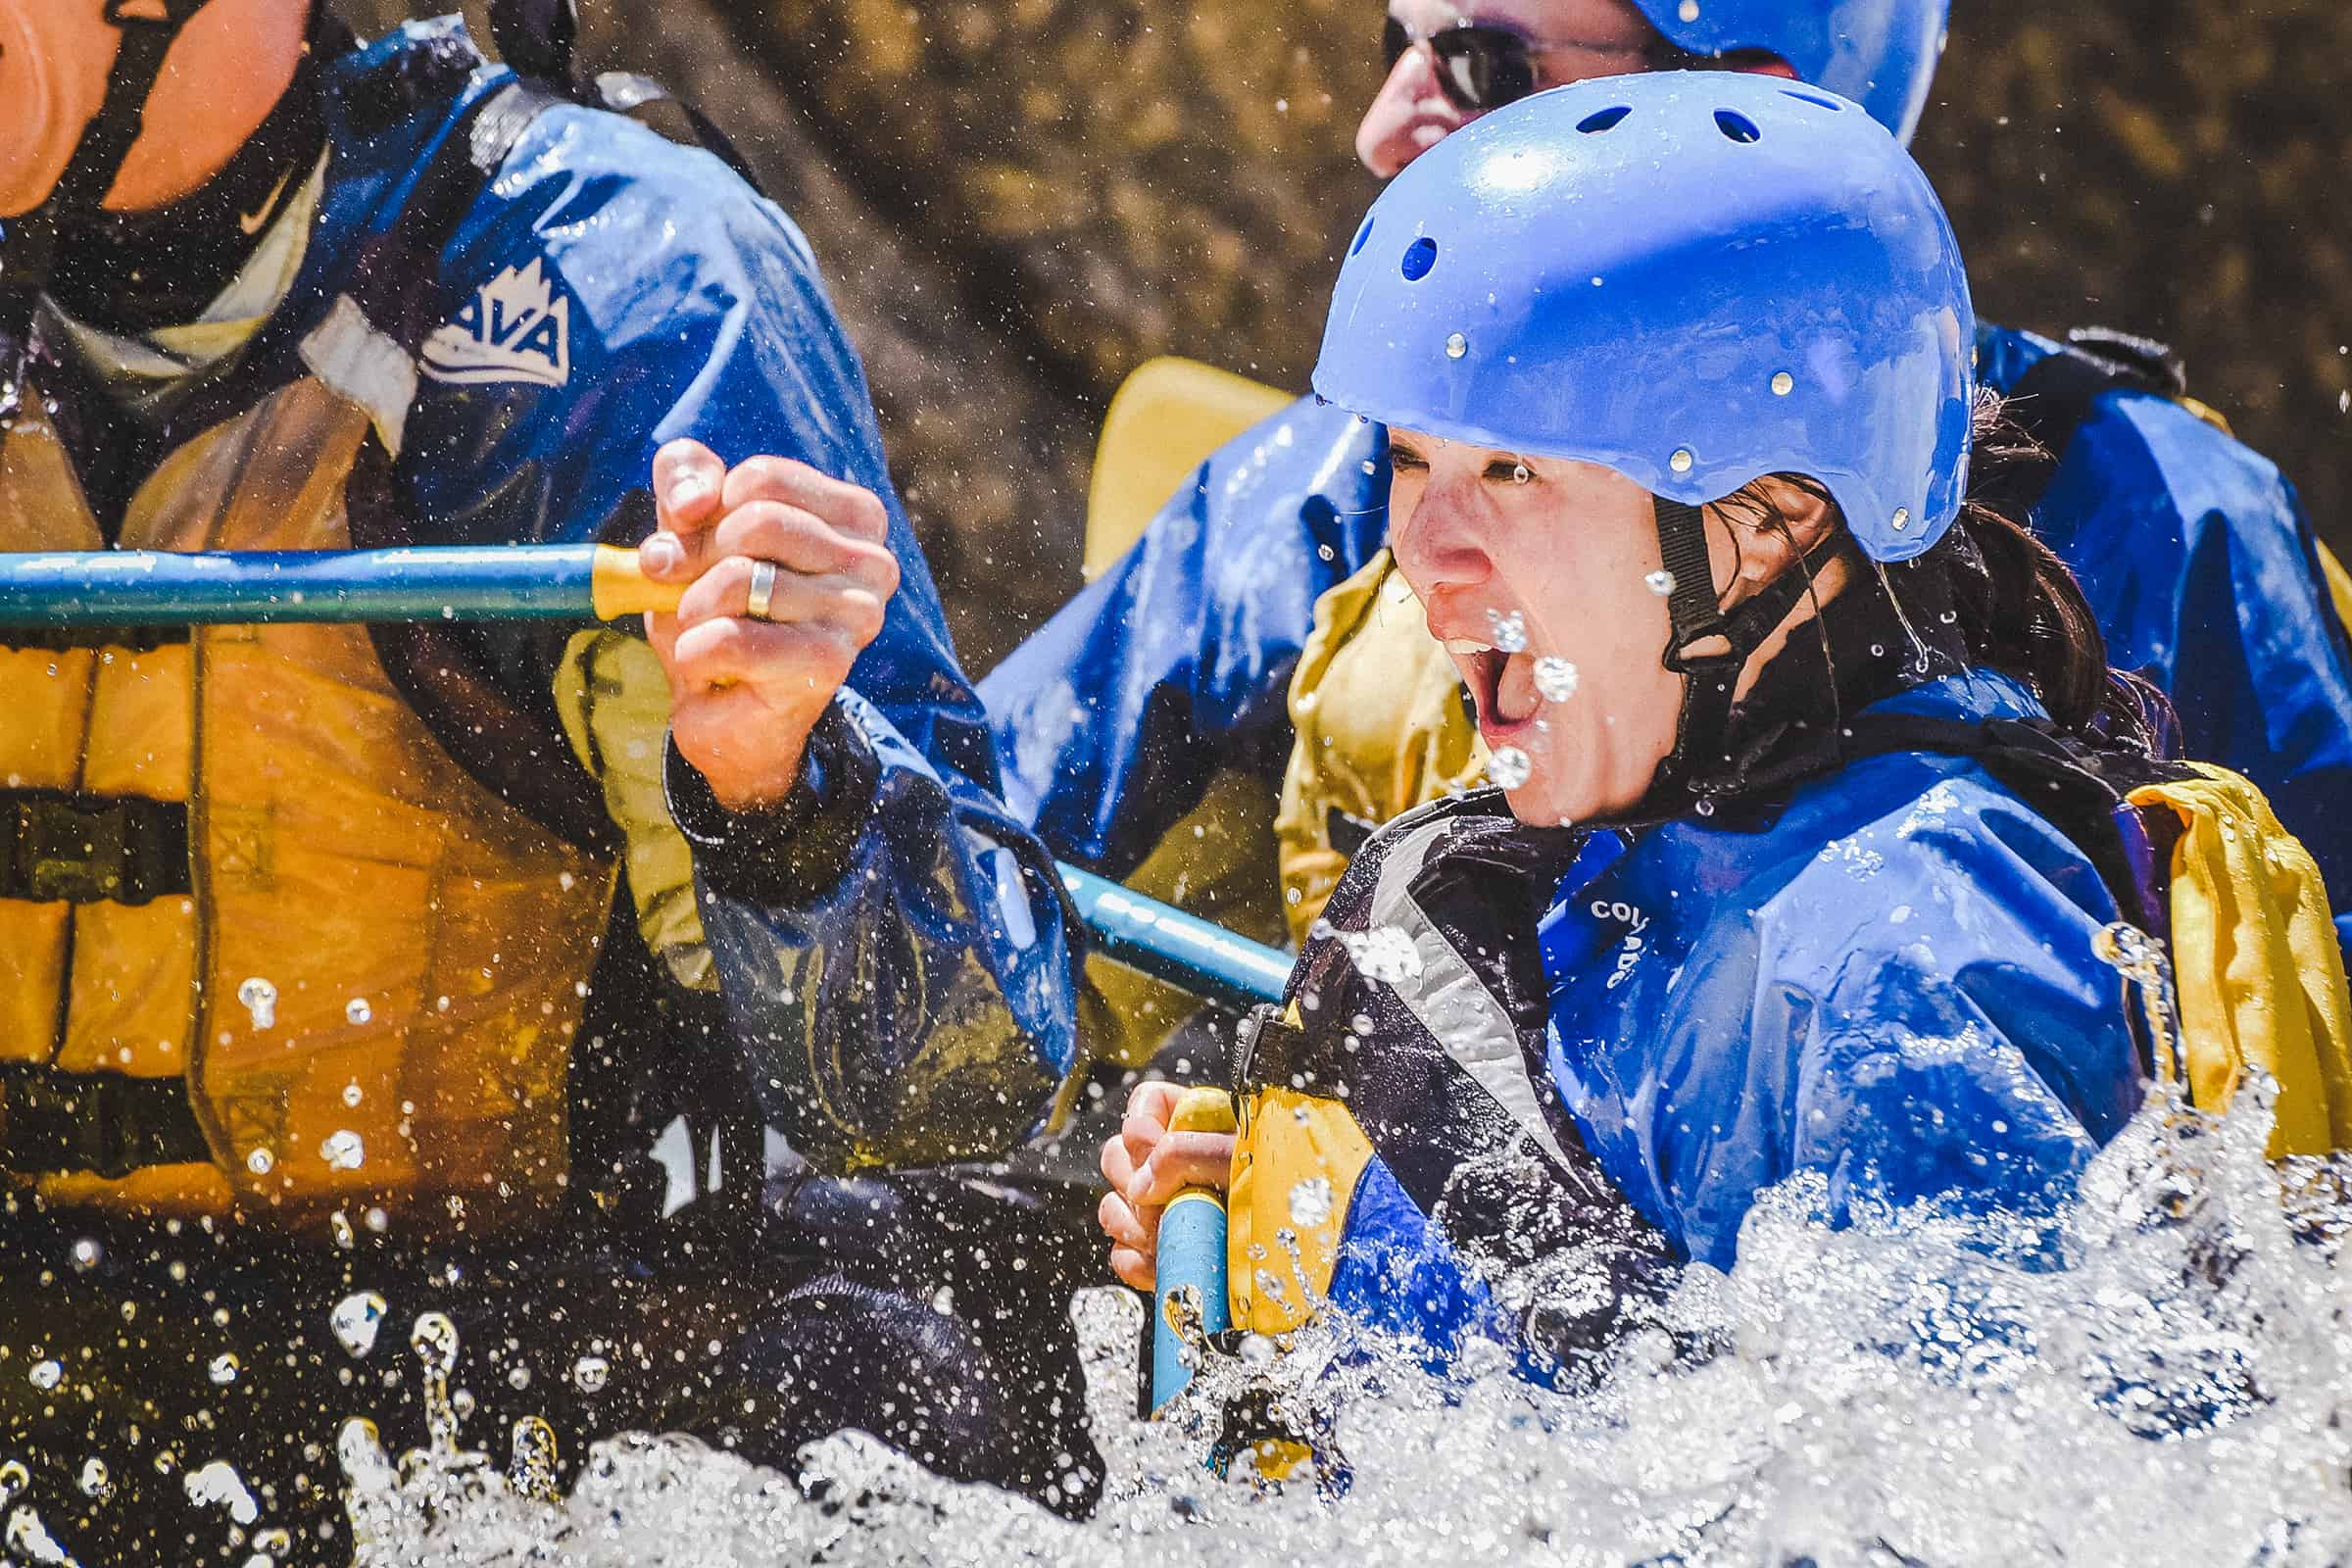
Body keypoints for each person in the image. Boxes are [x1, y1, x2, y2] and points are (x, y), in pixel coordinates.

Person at [0, 1, 1095, 1556]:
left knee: (880, 1376)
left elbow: (953, 1081)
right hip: (55, 1358)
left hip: (485, 1386)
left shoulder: (615, 288)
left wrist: (778, 794)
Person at [1098, 74, 2351, 1391]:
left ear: (1768, 525)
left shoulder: (1914, 961)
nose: (1420, 555)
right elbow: (1617, 1264)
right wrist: (1332, 1220)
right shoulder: (1653, 843)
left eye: (1510, 472)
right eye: (1411, 463)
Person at [983, 0, 2352, 1026]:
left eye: (1482, 66)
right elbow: (967, 872)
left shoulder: (2170, 527)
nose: (1381, 125)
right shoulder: (1326, 487)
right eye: (1390, 42)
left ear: (1740, 99)